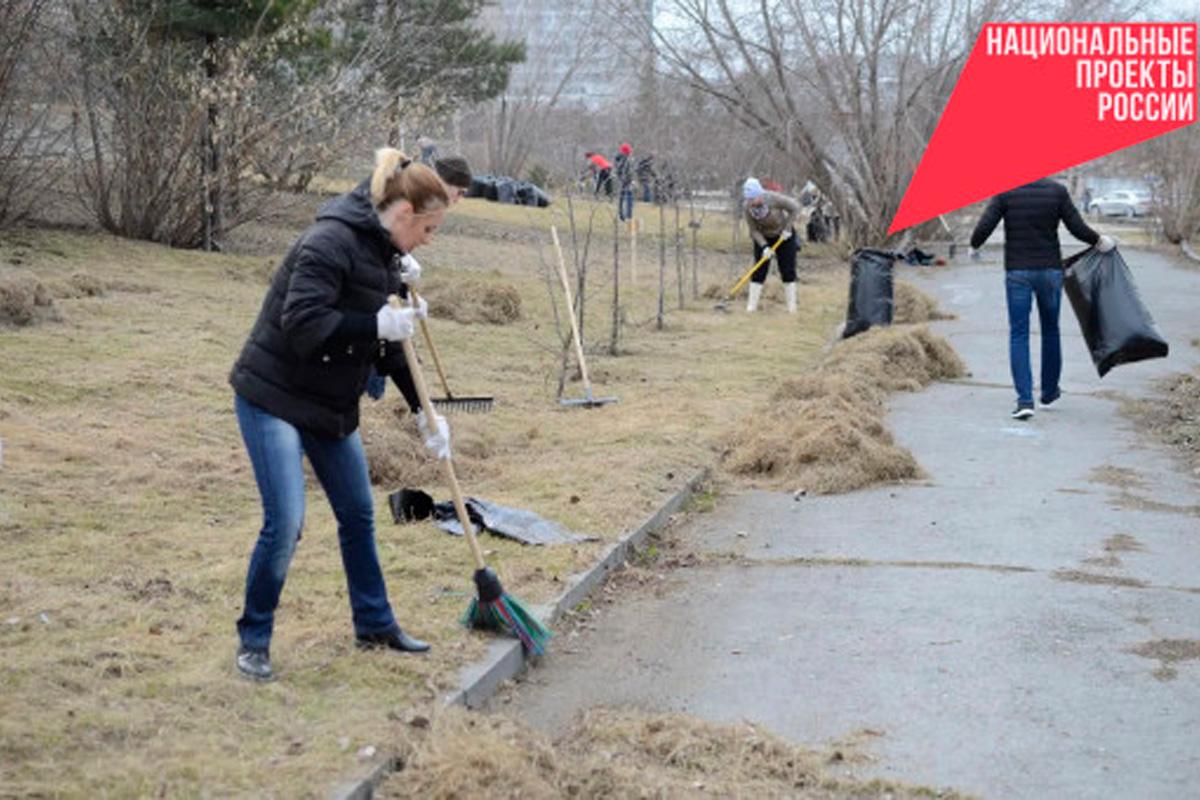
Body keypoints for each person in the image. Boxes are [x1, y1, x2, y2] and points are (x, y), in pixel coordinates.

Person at [228, 148, 453, 681]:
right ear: (404, 215)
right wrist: (374, 325)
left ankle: (374, 624)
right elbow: (304, 324)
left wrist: (426, 414)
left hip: (329, 404)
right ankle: (254, 639)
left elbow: (393, 343)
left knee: (357, 512)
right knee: (286, 521)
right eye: (429, 229)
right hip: (273, 395)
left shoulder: (384, 255)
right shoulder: (328, 241)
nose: (429, 240)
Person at [969, 177, 1115, 420]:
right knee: (1050, 331)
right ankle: (1048, 392)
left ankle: (1025, 400)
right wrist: (1100, 241)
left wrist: (974, 245)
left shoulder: (1005, 191)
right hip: (1049, 272)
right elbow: (1076, 227)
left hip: (1018, 273)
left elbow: (983, 228)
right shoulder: (1056, 191)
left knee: (1019, 334)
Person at [742, 177, 801, 313]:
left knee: (787, 270)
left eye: (752, 199)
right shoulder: (747, 207)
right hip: (764, 237)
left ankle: (792, 308)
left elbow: (795, 208)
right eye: (748, 199)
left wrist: (787, 228)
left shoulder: (774, 198)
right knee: (759, 270)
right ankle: (751, 307)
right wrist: (764, 246)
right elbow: (753, 230)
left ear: (759, 194)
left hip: (784, 237)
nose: (750, 202)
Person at [614, 142, 635, 221]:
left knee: (621, 198)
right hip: (625, 181)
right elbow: (626, 171)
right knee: (628, 197)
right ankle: (628, 216)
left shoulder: (618, 158)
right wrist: (629, 180)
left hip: (622, 180)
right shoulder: (625, 159)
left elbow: (618, 170)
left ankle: (621, 215)